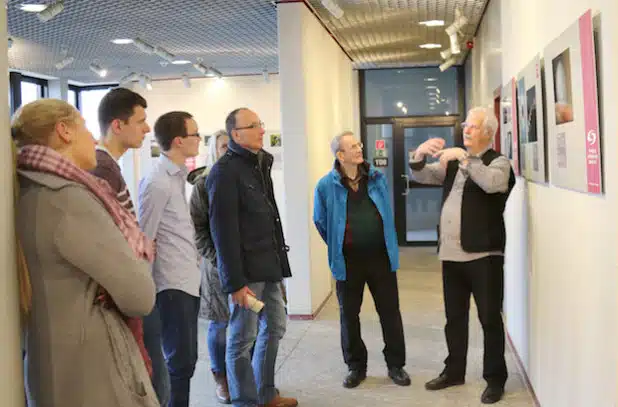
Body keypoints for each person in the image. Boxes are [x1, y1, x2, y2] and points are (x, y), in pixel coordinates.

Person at [12, 99, 158, 407]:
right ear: (64, 131)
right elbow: (140, 296)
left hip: (54, 364)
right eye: (85, 127)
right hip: (92, 372)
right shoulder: (69, 199)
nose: (93, 138)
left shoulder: (28, 189)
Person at [409, 106, 515, 404]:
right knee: (454, 319)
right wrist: (418, 153)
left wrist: (465, 158)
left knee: (489, 320)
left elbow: (494, 184)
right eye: (465, 124)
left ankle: (495, 379)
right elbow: (423, 176)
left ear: (488, 132)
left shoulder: (499, 162)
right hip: (451, 256)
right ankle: (454, 371)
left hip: (484, 257)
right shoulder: (454, 164)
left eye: (472, 125)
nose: (466, 129)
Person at [207, 108, 297, 407]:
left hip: (269, 267)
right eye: (254, 125)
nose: (261, 129)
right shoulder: (224, 173)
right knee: (241, 339)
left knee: (275, 326)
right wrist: (234, 283)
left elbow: (270, 220)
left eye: (261, 123)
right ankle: (245, 401)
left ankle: (265, 393)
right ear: (236, 134)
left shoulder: (260, 165)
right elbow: (223, 233)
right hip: (246, 275)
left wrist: (281, 269)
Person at [90, 87, 170, 404]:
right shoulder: (102, 169)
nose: (147, 128)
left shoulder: (109, 167)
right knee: (148, 374)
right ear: (117, 125)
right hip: (124, 293)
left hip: (132, 286)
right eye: (140, 121)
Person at [313, 131, 410, 389]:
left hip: (381, 257)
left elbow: (385, 212)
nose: (359, 148)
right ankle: (356, 366)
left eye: (359, 144)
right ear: (340, 155)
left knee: (390, 312)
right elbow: (320, 221)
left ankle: (396, 365)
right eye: (353, 146)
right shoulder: (325, 185)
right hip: (348, 261)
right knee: (349, 315)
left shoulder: (376, 178)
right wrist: (339, 243)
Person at [137, 111, 202, 407]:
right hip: (171, 284)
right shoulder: (157, 182)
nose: (199, 139)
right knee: (179, 362)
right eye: (195, 134)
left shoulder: (175, 178)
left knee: (186, 361)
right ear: (179, 141)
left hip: (187, 279)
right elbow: (144, 238)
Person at [188, 130, 231, 403]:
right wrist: (217, 258)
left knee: (248, 323)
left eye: (232, 145)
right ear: (215, 150)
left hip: (248, 266)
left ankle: (243, 374)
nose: (229, 150)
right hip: (217, 265)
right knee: (220, 323)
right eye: (224, 146)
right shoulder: (203, 185)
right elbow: (198, 230)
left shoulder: (247, 179)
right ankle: (221, 378)